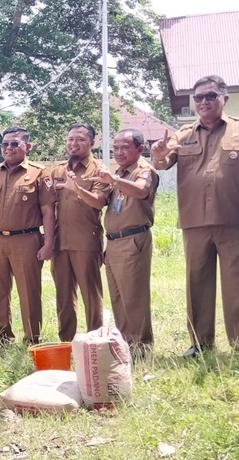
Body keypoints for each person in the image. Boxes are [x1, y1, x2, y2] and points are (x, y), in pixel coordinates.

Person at [152, 75, 239, 356]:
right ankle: (200, 343)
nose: (204, 102)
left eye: (210, 96)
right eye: (198, 98)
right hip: (194, 221)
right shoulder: (183, 134)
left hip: (235, 219)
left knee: (238, 283)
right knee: (197, 282)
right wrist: (158, 153)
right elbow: (162, 163)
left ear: (225, 98)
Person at [0, 126, 56, 348]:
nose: (9, 148)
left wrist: (49, 243)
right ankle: (2, 336)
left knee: (29, 290)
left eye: (15, 144)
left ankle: (32, 338)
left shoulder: (38, 173)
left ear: (27, 146)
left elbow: (48, 211)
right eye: (5, 144)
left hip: (26, 240)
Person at [90, 129, 159, 358]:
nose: (118, 152)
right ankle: (125, 344)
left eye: (125, 147)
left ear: (140, 149)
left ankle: (141, 347)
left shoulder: (143, 171)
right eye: (115, 148)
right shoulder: (120, 172)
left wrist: (115, 180)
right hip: (114, 242)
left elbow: (141, 191)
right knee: (118, 297)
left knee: (134, 296)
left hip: (133, 239)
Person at [51, 124, 111, 342]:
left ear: (92, 143)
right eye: (70, 139)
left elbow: (99, 202)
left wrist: (77, 189)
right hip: (60, 243)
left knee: (91, 296)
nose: (73, 144)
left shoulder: (99, 170)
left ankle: (95, 342)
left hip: (86, 241)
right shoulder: (58, 170)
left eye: (80, 140)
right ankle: (66, 342)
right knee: (64, 296)